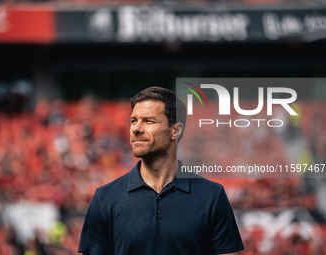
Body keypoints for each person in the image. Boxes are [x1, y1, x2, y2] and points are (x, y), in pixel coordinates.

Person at [78, 87, 244, 255]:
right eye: (133, 120)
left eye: (149, 121)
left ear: (175, 130)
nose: (136, 128)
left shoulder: (212, 196)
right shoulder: (105, 198)